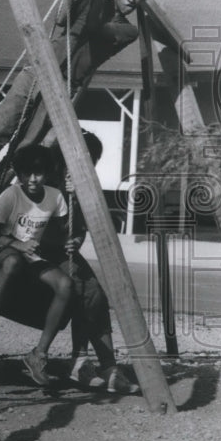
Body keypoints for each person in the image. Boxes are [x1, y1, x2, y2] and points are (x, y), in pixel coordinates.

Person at [0, 0, 156, 206]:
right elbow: (61, 20)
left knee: (23, 150)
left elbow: (93, 28)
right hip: (37, 71)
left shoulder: (127, 30)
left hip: (63, 86)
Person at [38, 131, 140, 394]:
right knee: (87, 289)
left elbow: (80, 226)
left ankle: (104, 365)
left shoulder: (80, 185)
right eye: (86, 157)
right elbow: (31, 223)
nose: (88, 163)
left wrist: (77, 240)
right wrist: (63, 193)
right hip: (40, 251)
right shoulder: (44, 179)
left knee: (97, 294)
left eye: (92, 159)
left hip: (62, 252)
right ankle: (82, 362)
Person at [0, 145, 72, 386]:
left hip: (32, 254)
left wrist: (74, 203)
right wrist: (19, 244)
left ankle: (38, 355)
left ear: (47, 173)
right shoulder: (11, 195)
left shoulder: (56, 196)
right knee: (12, 262)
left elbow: (61, 233)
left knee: (65, 285)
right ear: (19, 173)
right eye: (26, 173)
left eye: (38, 173)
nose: (32, 179)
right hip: (4, 249)